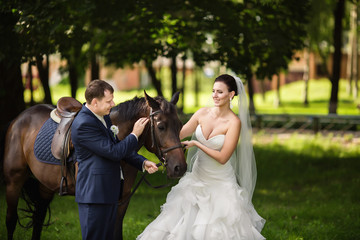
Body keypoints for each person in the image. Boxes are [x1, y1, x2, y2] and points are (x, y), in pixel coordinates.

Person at [137, 74, 265, 240]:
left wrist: (197, 144)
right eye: (213, 91)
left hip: (220, 181)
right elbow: (178, 135)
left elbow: (223, 157)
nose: (214, 95)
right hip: (197, 177)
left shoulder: (234, 122)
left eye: (220, 92)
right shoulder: (202, 113)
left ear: (231, 94)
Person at [71, 79, 158, 240]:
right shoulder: (84, 124)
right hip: (94, 195)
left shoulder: (103, 117)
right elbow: (113, 152)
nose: (113, 103)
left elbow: (117, 144)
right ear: (95, 102)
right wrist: (134, 134)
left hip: (108, 192)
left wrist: (142, 162)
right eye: (109, 101)